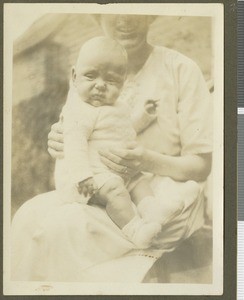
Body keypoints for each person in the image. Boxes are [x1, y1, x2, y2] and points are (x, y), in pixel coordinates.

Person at [11, 14, 212, 282]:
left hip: (162, 188)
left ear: (150, 15)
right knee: (28, 216)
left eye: (134, 12)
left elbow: (201, 166)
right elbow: (78, 133)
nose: (125, 22)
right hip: (99, 182)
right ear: (97, 16)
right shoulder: (86, 74)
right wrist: (58, 142)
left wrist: (144, 160)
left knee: (64, 227)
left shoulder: (180, 68)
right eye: (114, 13)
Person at [56, 36, 165, 248]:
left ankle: (153, 212)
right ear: (74, 76)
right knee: (116, 190)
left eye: (111, 81)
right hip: (87, 177)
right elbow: (74, 143)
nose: (100, 86)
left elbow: (124, 128)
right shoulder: (79, 109)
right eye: (90, 76)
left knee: (139, 181)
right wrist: (83, 176)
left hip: (116, 170)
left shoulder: (117, 106)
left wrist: (144, 115)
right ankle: (135, 230)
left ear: (122, 84)